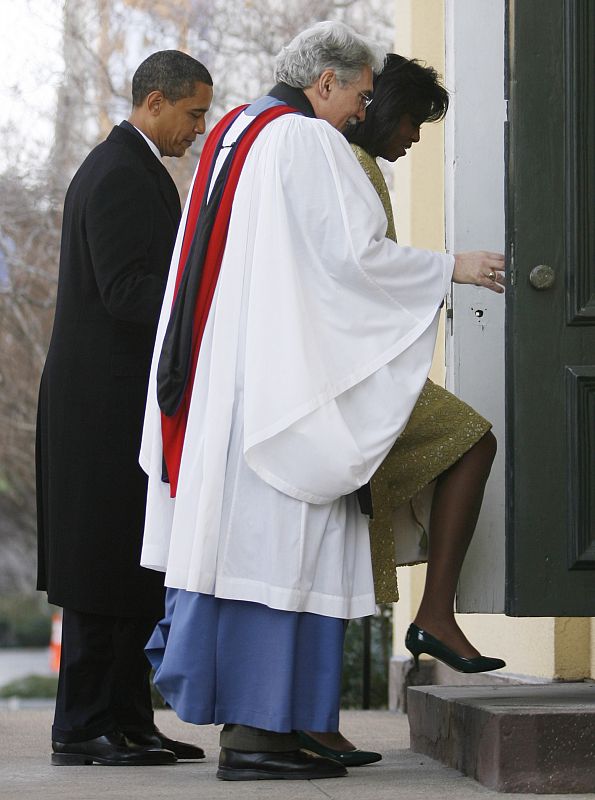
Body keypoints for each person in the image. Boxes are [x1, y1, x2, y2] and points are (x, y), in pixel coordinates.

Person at [139, 21, 505, 782]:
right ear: (326, 82)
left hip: (230, 384)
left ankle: (274, 731)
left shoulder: (238, 130)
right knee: (285, 552)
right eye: (361, 96)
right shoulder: (304, 142)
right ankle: (261, 739)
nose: (360, 115)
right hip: (283, 393)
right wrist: (449, 268)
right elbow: (352, 261)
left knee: (248, 556)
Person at [299, 53, 505, 766]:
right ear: (376, 103)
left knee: (462, 447)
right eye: (413, 119)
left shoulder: (356, 163)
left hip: (353, 368)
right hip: (346, 376)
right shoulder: (341, 160)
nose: (415, 136)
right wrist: (452, 264)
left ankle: (431, 615)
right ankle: (434, 614)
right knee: (470, 441)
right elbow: (356, 264)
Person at [36, 50, 213, 767]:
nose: (197, 130)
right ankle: (83, 727)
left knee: (131, 568)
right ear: (155, 103)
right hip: (97, 408)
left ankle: (129, 720)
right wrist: (207, 317)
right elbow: (126, 291)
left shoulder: (132, 168)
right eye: (193, 113)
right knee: (100, 571)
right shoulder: (118, 174)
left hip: (117, 405)